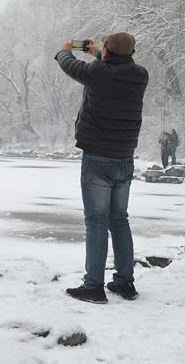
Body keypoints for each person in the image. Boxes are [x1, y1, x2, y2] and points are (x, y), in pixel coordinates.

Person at [55, 33, 149, 304]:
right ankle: (124, 282)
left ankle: (93, 286)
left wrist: (64, 50)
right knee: (119, 220)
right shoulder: (140, 75)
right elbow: (115, 66)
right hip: (124, 158)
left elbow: (70, 65)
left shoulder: (99, 73)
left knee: (96, 222)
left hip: (97, 158)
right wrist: (98, 51)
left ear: (107, 52)